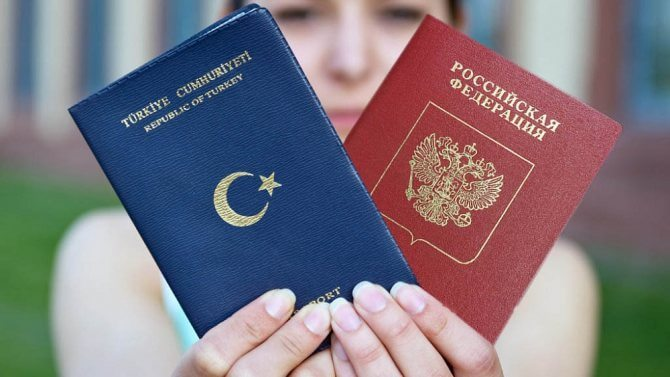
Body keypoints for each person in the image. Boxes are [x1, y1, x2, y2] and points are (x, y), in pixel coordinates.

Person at [52, 0, 599, 375]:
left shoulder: (552, 281)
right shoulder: (112, 254)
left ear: (459, 31)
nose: (351, 61)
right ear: (227, 30)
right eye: (301, 12)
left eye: (398, 11)